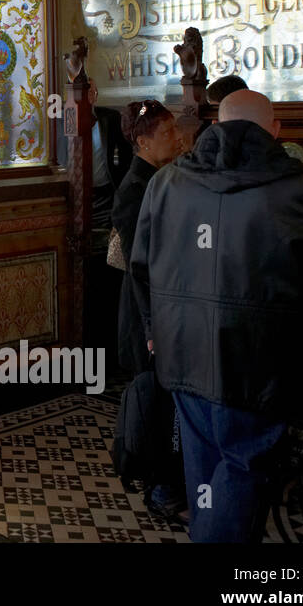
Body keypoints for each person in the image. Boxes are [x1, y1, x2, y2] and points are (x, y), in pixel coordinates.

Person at [129, 90, 303, 542]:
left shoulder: (166, 183)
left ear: (215, 126)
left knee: (204, 473)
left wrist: (153, 329)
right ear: (275, 130)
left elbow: (140, 266)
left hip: (183, 352)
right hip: (260, 362)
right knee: (244, 469)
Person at [110, 99, 185, 522]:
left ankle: (172, 483)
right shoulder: (134, 190)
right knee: (154, 403)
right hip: (145, 314)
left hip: (163, 311)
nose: (177, 139)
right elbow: (141, 268)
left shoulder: (162, 179)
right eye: (167, 133)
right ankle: (159, 489)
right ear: (143, 142)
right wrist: (152, 326)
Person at [84, 81, 132, 361]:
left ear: (95, 94)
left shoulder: (109, 118)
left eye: (90, 91)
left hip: (106, 194)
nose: (86, 96)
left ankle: (109, 344)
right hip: (79, 198)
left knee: (109, 263)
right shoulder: (61, 121)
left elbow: (124, 157)